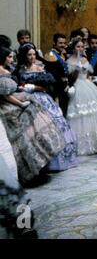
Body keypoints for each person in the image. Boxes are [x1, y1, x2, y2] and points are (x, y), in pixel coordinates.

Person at [0, 46, 64, 185]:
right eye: (9, 57)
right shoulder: (3, 71)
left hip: (18, 100)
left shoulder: (9, 70)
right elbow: (5, 95)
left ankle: (39, 168)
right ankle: (28, 173)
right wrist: (20, 103)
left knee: (33, 137)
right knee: (22, 141)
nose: (12, 59)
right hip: (8, 108)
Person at [17, 44, 78, 171]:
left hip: (41, 98)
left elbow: (47, 86)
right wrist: (23, 87)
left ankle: (58, 161)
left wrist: (34, 87)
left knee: (54, 125)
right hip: (25, 98)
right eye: (29, 54)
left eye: (34, 54)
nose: (32, 57)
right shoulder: (20, 69)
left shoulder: (40, 67)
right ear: (24, 56)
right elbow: (18, 83)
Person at [44, 33, 70, 116]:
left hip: (65, 88)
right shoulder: (50, 55)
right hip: (57, 89)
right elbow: (53, 75)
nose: (63, 45)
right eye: (60, 43)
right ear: (54, 43)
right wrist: (64, 85)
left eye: (64, 43)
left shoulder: (63, 54)